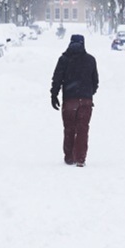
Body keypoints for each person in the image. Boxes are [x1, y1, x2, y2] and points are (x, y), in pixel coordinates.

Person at [50, 34, 99, 167]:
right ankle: (80, 158)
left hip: (69, 101)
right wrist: (88, 93)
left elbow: (57, 79)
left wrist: (54, 95)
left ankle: (69, 157)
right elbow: (95, 82)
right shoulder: (90, 60)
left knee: (69, 128)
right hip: (86, 101)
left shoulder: (64, 60)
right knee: (83, 129)